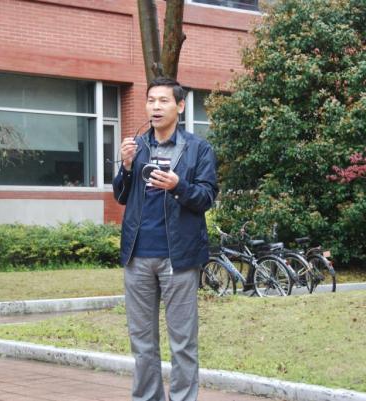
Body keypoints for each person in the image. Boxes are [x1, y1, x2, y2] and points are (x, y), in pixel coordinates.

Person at [113, 77, 218, 401]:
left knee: (183, 341)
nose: (155, 107)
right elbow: (121, 195)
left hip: (179, 257)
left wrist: (178, 186)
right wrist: (126, 167)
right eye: (151, 101)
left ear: (180, 106)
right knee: (142, 340)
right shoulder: (137, 147)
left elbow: (206, 197)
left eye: (163, 101)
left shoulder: (198, 149)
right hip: (138, 256)